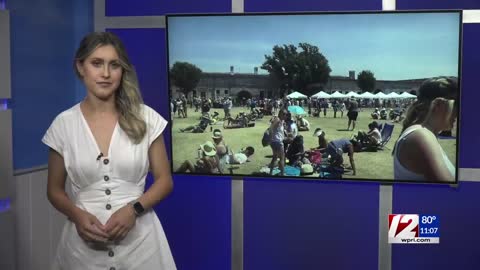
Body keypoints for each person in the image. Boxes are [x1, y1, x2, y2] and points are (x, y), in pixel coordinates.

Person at [42, 32, 176, 270]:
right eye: (96, 63)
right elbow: (54, 190)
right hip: (82, 251)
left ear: (122, 70)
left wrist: (134, 210)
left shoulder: (146, 118)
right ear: (80, 67)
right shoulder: (63, 124)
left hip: (142, 247)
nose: (105, 74)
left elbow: (165, 181)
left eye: (114, 65)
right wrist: (76, 215)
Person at [393, 77, 457, 182]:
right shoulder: (421, 136)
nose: (458, 111)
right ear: (438, 104)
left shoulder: (423, 134)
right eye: (456, 104)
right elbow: (449, 191)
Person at [269, 109, 287, 176]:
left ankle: (270, 172)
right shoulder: (278, 120)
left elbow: (278, 131)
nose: (285, 116)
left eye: (286, 114)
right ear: (280, 114)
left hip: (275, 141)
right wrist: (271, 138)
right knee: (282, 158)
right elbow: (271, 129)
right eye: (284, 114)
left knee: (275, 157)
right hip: (277, 142)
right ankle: (282, 174)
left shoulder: (281, 121)